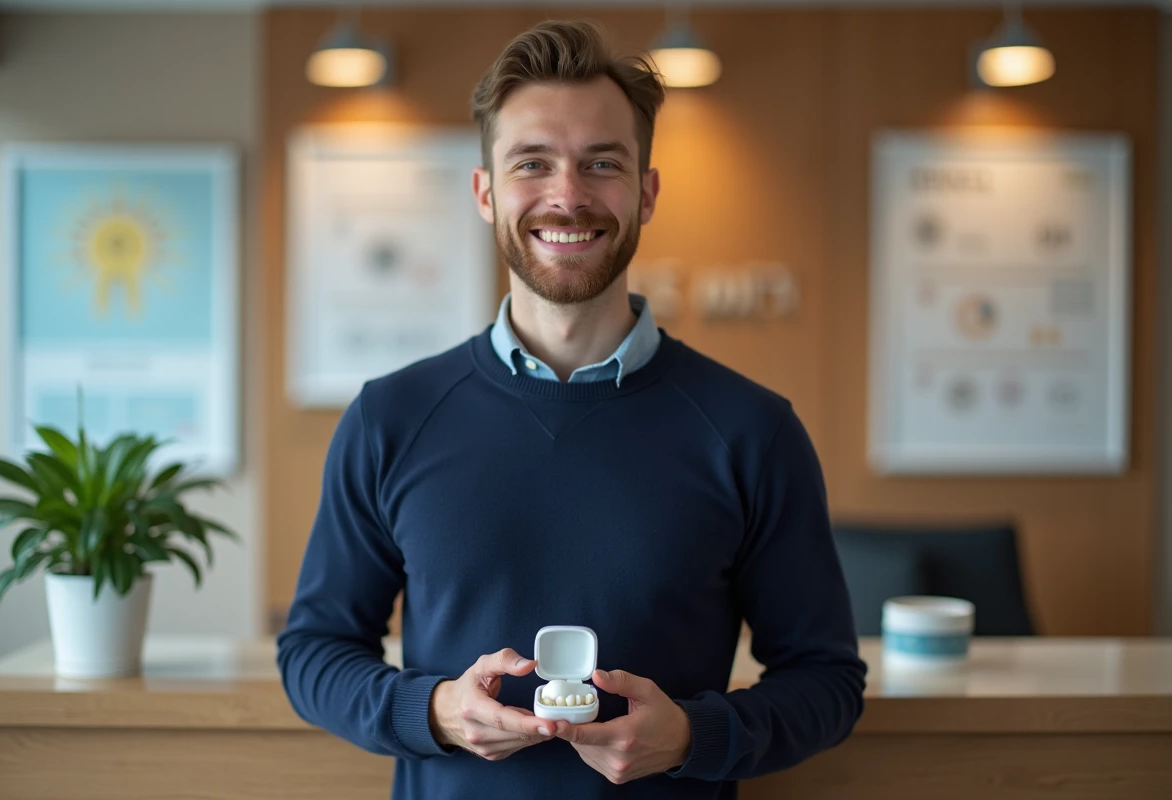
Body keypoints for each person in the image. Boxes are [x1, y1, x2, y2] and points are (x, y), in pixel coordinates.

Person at [276, 18, 866, 800]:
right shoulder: (391, 418)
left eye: (602, 163)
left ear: (646, 193)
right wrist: (436, 712)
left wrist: (695, 736)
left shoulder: (752, 431)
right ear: (485, 193)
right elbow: (314, 652)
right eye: (532, 163)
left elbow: (827, 680)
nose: (567, 195)